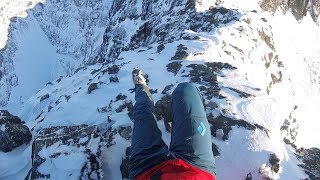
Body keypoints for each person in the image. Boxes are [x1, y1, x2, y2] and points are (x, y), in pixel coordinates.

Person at [129, 68, 216, 180]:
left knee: (143, 113)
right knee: (186, 89)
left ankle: (140, 86)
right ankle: (170, 121)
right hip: (196, 169)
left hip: (145, 170)